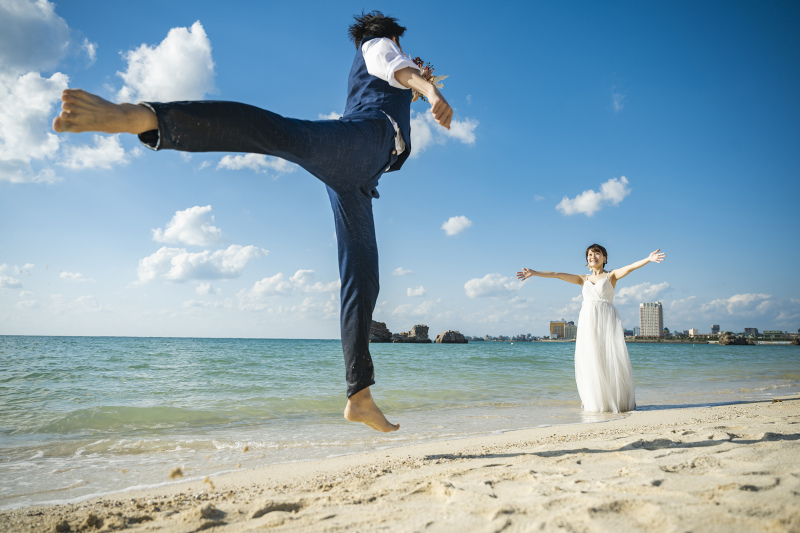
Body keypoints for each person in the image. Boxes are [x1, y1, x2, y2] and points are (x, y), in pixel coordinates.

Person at [52, 11, 453, 432]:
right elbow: (398, 67)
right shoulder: (377, 45)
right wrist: (428, 91)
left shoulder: (379, 69)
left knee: (363, 280)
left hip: (359, 178)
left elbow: (397, 77)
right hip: (357, 145)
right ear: (389, 36)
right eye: (399, 44)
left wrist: (420, 88)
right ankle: (144, 118)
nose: (404, 52)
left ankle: (359, 396)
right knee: (279, 133)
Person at [516, 245, 666, 412]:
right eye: (589, 254)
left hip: (607, 321)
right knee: (592, 361)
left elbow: (629, 268)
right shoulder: (583, 279)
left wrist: (648, 259)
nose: (592, 257)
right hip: (588, 323)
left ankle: (618, 401)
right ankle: (597, 403)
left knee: (611, 359)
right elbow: (557, 275)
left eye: (597, 254)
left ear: (604, 258)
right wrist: (535, 273)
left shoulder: (612, 276)